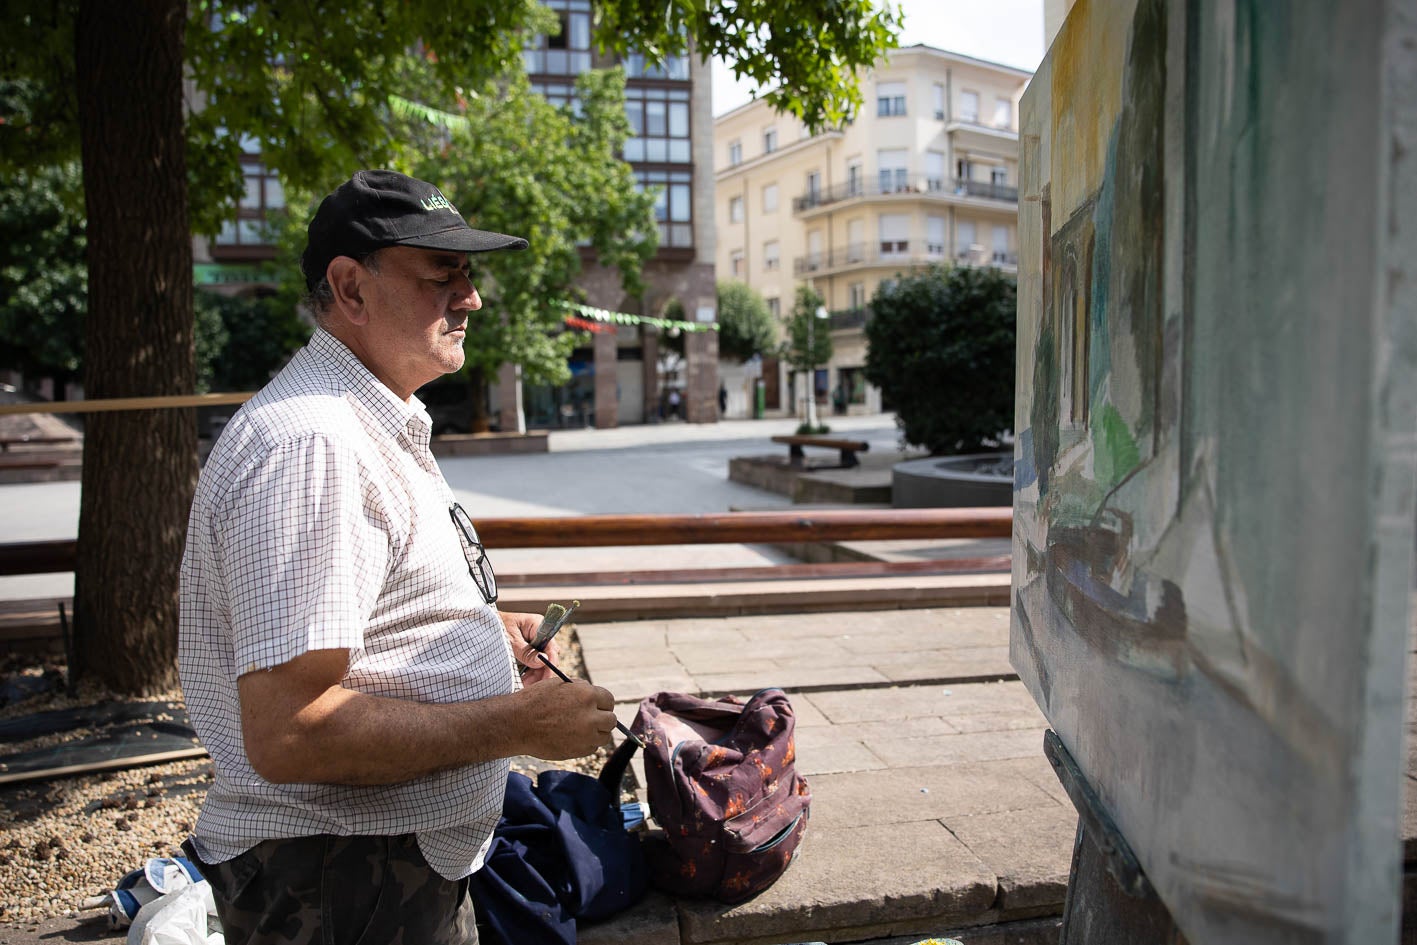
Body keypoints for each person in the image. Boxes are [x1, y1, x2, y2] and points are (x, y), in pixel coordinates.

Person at [178, 169, 618, 945]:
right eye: (441, 273)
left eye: (469, 273)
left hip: (369, 870)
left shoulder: (363, 417)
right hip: (340, 879)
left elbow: (366, 616)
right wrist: (515, 722)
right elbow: (290, 731)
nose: (470, 297)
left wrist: (477, 636)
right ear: (350, 288)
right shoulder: (315, 443)